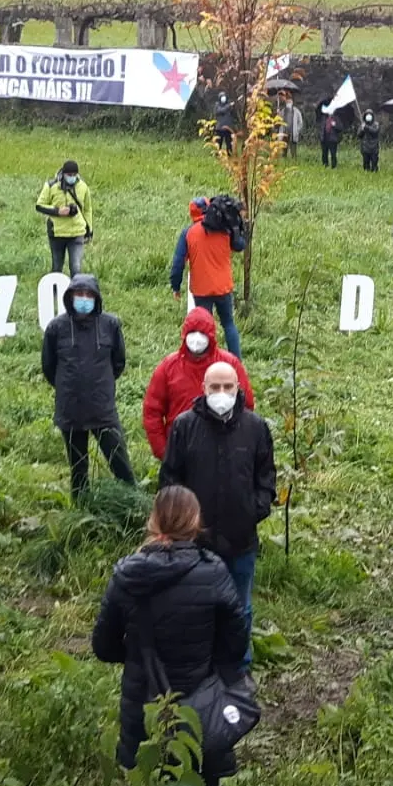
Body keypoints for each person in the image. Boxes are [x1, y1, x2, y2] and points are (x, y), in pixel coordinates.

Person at [92, 486, 249, 786]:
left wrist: (137, 657)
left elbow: (103, 646)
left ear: (154, 521)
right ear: (195, 522)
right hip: (201, 710)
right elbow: (236, 644)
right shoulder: (215, 572)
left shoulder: (128, 575)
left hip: (144, 709)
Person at [160, 361, 276, 665]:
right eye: (215, 387)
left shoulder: (256, 428)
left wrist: (253, 511)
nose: (221, 393)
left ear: (238, 388)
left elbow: (266, 479)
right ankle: (198, 666)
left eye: (228, 387)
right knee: (195, 607)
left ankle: (238, 668)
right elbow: (170, 479)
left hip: (241, 540)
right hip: (194, 543)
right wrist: (181, 526)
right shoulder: (184, 427)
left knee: (240, 608)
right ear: (204, 389)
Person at [42, 274, 135, 497]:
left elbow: (118, 362)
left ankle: (133, 503)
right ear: (70, 297)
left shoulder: (110, 324)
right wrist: (68, 386)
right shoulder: (56, 328)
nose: (83, 299)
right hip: (70, 411)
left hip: (103, 410)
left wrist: (100, 384)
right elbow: (49, 366)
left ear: (96, 297)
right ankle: (82, 510)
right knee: (78, 468)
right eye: (79, 294)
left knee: (119, 461)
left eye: (88, 295)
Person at [144, 307, 256, 459]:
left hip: (223, 448)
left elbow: (246, 406)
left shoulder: (229, 364)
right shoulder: (168, 367)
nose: (197, 338)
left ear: (211, 336)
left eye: (202, 333)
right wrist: (164, 452)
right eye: (192, 332)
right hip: (181, 449)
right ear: (184, 335)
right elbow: (152, 411)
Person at [169, 196, 249, 356]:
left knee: (204, 327)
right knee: (228, 324)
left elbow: (178, 264)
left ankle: (206, 361)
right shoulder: (224, 229)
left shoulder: (188, 233)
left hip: (201, 289)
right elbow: (239, 246)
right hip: (223, 287)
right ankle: (236, 362)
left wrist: (175, 286)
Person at [35, 160, 94, 276]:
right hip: (57, 233)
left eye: (74, 175)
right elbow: (39, 206)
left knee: (76, 267)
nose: (72, 177)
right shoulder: (51, 185)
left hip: (77, 233)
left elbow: (87, 209)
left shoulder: (83, 187)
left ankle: (75, 291)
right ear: (63, 174)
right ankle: (55, 292)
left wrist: (89, 230)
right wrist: (58, 211)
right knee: (57, 267)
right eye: (69, 175)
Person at [279, 94, 302, 158]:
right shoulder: (282, 111)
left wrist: (297, 130)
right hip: (284, 133)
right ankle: (284, 162)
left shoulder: (296, 111)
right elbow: (278, 121)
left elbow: (300, 123)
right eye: (287, 102)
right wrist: (278, 113)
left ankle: (294, 162)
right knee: (284, 150)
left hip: (293, 133)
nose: (288, 103)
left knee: (293, 151)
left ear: (292, 102)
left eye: (289, 102)